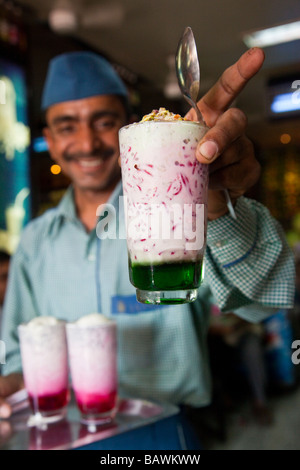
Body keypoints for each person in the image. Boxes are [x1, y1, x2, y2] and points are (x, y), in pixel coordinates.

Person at [0, 49, 295, 449]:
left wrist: (216, 206)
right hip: (63, 432)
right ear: (49, 141)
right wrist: (8, 385)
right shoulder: (35, 240)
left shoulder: (181, 208)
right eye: (67, 127)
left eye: (103, 122)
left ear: (128, 129)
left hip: (163, 434)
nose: (87, 143)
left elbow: (261, 304)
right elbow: (16, 353)